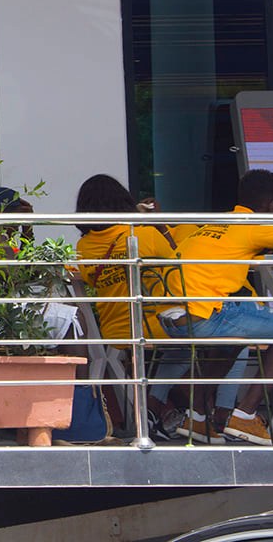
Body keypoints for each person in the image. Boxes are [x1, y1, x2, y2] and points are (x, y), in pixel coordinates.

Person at [167, 169, 273, 445]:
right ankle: (245, 415)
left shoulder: (216, 224)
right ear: (272, 203)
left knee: (236, 338)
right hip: (204, 316)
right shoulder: (255, 226)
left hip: (173, 316)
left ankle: (195, 415)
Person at [73, 173, 188, 439]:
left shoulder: (83, 246)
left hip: (114, 330)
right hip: (157, 326)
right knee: (206, 342)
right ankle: (165, 408)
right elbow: (180, 264)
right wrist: (158, 224)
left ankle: (159, 411)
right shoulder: (144, 234)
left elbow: (88, 278)